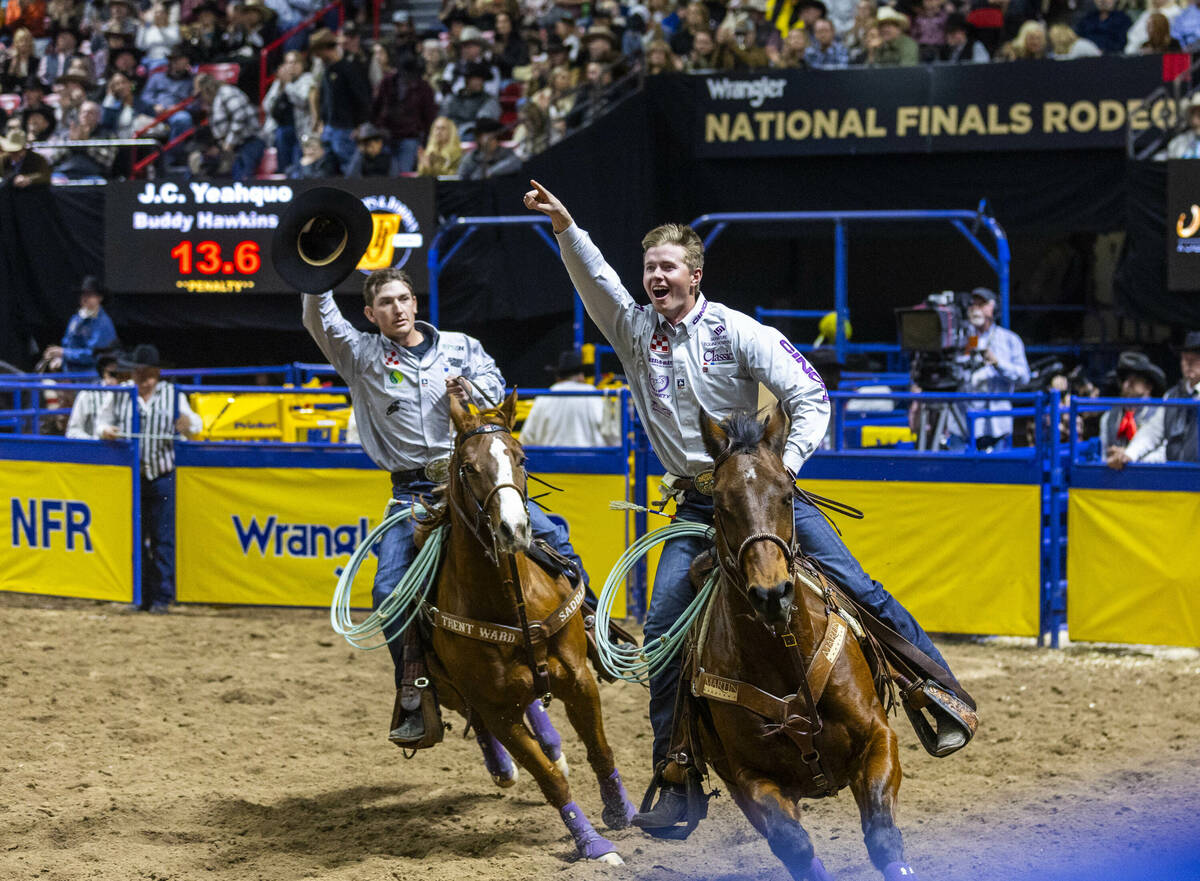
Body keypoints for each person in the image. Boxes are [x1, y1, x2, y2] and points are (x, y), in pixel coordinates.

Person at [523, 179, 969, 833]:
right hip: (696, 508)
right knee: (664, 632)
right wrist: (566, 226)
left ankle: (936, 689)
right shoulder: (631, 329)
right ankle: (677, 771)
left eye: (667, 267)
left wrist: (782, 471)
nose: (655, 277)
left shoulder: (736, 330)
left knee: (855, 584)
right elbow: (595, 279)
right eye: (649, 269)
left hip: (760, 500)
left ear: (694, 275)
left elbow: (809, 394)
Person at [301, 265, 591, 745]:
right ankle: (415, 691)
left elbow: (497, 391)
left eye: (403, 298)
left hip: (474, 483)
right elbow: (321, 319)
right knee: (388, 589)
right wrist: (316, 274)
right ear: (370, 314)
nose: (397, 308)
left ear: (415, 303)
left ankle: (595, 630)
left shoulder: (462, 347)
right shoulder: (359, 355)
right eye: (386, 303)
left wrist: (471, 391)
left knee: (552, 536)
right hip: (412, 495)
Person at [97, 343, 202, 613]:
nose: (144, 379)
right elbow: (100, 422)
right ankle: (141, 595)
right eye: (140, 373)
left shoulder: (172, 395)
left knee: (163, 538)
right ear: (133, 373)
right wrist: (106, 430)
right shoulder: (121, 394)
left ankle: (162, 597)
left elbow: (196, 424)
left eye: (149, 374)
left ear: (157, 374)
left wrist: (187, 424)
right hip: (132, 479)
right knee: (136, 537)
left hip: (163, 475)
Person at [950, 287, 1030, 451]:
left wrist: (998, 363)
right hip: (963, 425)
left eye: (982, 304)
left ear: (994, 308)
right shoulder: (961, 339)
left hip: (996, 426)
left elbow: (1024, 377)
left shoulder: (1009, 339)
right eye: (973, 305)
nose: (976, 309)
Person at [1109, 332, 1200, 466]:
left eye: (1196, 359)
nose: (1189, 364)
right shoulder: (1171, 396)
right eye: (1185, 358)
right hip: (1175, 472)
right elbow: (1153, 430)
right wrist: (1130, 453)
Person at [521, 350, 621, 447]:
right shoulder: (592, 394)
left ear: (558, 377)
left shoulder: (544, 398)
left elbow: (526, 438)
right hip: (589, 456)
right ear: (581, 376)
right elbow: (611, 436)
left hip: (551, 457)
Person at [310, 27, 372, 172]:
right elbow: (325, 99)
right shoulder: (327, 70)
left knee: (349, 168)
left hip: (346, 128)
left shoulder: (348, 69)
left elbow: (361, 98)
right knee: (328, 169)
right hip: (329, 127)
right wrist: (322, 120)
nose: (317, 56)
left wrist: (359, 125)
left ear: (325, 49)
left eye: (318, 52)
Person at [192, 72, 265, 181]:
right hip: (234, 146)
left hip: (251, 141)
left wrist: (230, 142)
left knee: (242, 176)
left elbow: (240, 115)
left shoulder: (226, 92)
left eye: (200, 94)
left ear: (206, 89)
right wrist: (219, 146)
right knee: (201, 163)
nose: (200, 98)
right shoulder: (213, 102)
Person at [1101, 351, 1167, 468]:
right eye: (1124, 381)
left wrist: (1129, 456)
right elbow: (1104, 455)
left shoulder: (1159, 414)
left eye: (1133, 381)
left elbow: (1164, 452)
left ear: (1148, 386)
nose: (1126, 385)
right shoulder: (1108, 417)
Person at [43, 276, 119, 374]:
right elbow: (67, 343)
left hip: (91, 376)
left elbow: (94, 355)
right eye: (83, 294)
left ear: (99, 298)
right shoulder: (76, 319)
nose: (85, 298)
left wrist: (63, 353)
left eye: (90, 295)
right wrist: (59, 358)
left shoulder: (103, 323)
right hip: (71, 374)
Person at [66, 350, 125, 438]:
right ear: (103, 372)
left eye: (122, 375)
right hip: (92, 444)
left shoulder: (129, 396)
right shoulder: (87, 395)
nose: (117, 379)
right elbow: (72, 432)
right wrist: (95, 441)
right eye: (113, 374)